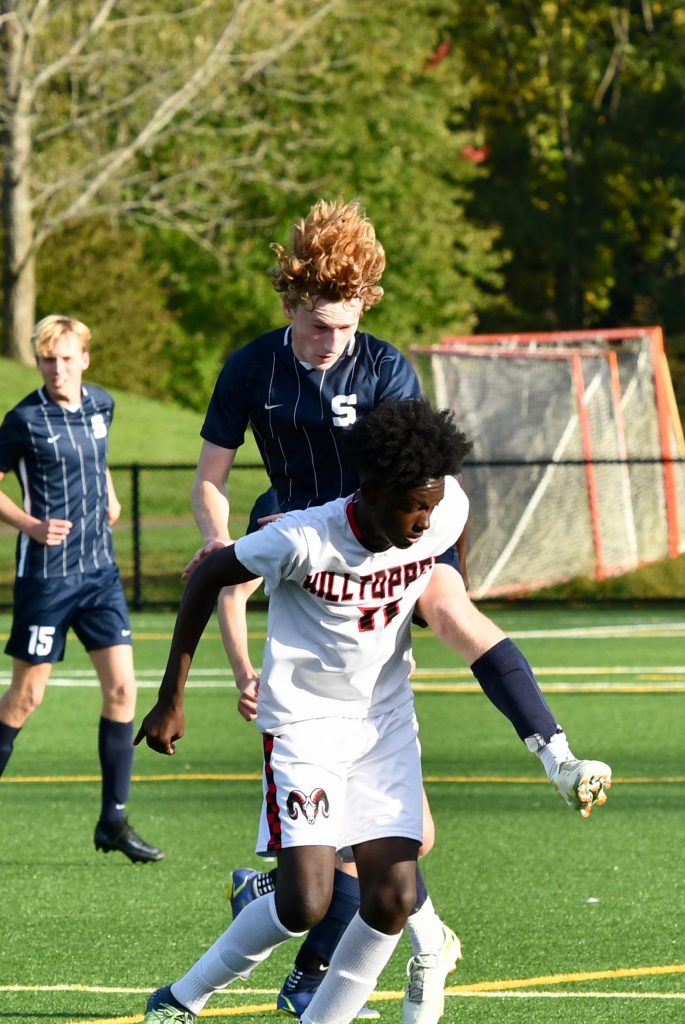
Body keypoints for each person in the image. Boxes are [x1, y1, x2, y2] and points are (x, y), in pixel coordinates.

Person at [188, 197, 600, 1022]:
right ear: (290, 302)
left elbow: (416, 472)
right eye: (318, 325)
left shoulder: (384, 367)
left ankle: (555, 752)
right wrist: (224, 569)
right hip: (310, 552)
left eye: (345, 325)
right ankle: (374, 945)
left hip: (389, 538)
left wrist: (411, 545)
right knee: (388, 841)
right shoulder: (250, 369)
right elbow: (211, 481)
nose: (331, 341)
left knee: (453, 614)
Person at [136, 399, 612, 1024]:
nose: (424, 522)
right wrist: (171, 697)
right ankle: (182, 997)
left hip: (385, 725)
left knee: (393, 897)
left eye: (431, 506)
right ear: (372, 489)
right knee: (305, 902)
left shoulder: (442, 514)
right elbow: (208, 579)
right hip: (304, 726)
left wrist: (558, 756)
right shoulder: (303, 537)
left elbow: (475, 612)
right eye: (412, 506)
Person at [0, 314, 162, 864]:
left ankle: (113, 821)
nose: (58, 368)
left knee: (123, 690)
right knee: (27, 697)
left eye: (67, 358)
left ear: (85, 359)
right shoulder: (24, 419)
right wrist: (30, 525)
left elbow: (98, 457)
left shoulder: (102, 405)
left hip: (100, 573)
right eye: (48, 359)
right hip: (47, 578)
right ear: (39, 362)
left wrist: (109, 494)